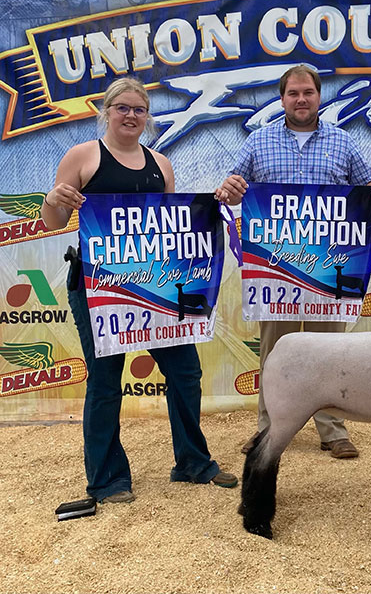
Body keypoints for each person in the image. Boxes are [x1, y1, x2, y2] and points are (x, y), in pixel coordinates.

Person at [41, 77, 238, 503]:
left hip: (158, 287)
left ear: (147, 117)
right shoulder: (83, 155)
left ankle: (192, 462)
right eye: (122, 108)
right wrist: (53, 198)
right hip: (99, 288)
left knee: (185, 373)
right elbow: (52, 223)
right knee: (106, 382)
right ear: (106, 112)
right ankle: (108, 479)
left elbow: (173, 229)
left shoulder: (161, 163)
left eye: (139, 109)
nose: (130, 115)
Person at [216, 65, 371, 459]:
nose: (301, 99)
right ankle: (268, 428)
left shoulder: (344, 142)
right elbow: (232, 194)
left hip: (329, 267)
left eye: (308, 92)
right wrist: (228, 190)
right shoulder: (258, 143)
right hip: (275, 266)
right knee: (274, 349)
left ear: (319, 96)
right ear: (281, 98)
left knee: (331, 350)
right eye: (293, 93)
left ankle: (333, 430)